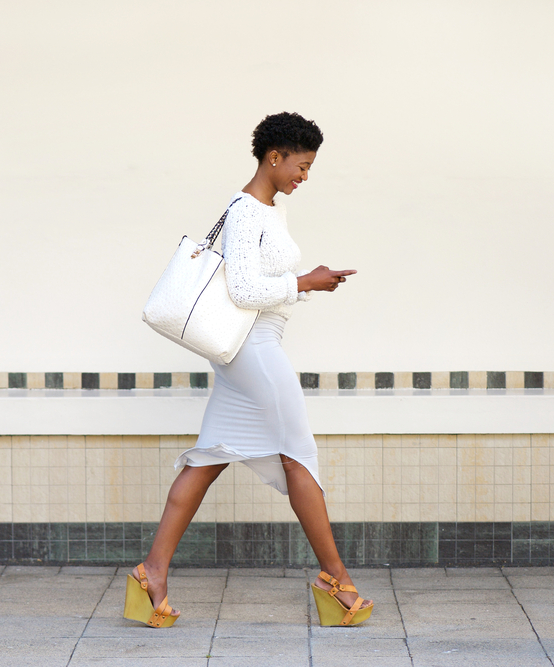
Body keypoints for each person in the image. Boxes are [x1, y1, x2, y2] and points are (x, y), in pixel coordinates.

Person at [124, 112, 373, 628]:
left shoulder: (267, 211)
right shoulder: (245, 211)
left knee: (209, 458)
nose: (304, 177)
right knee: (298, 455)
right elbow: (242, 292)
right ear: (273, 157)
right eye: (300, 166)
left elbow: (259, 285)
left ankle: (152, 572)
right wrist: (306, 281)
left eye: (309, 168)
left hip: (247, 350)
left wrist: (303, 283)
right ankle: (336, 579)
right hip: (253, 349)